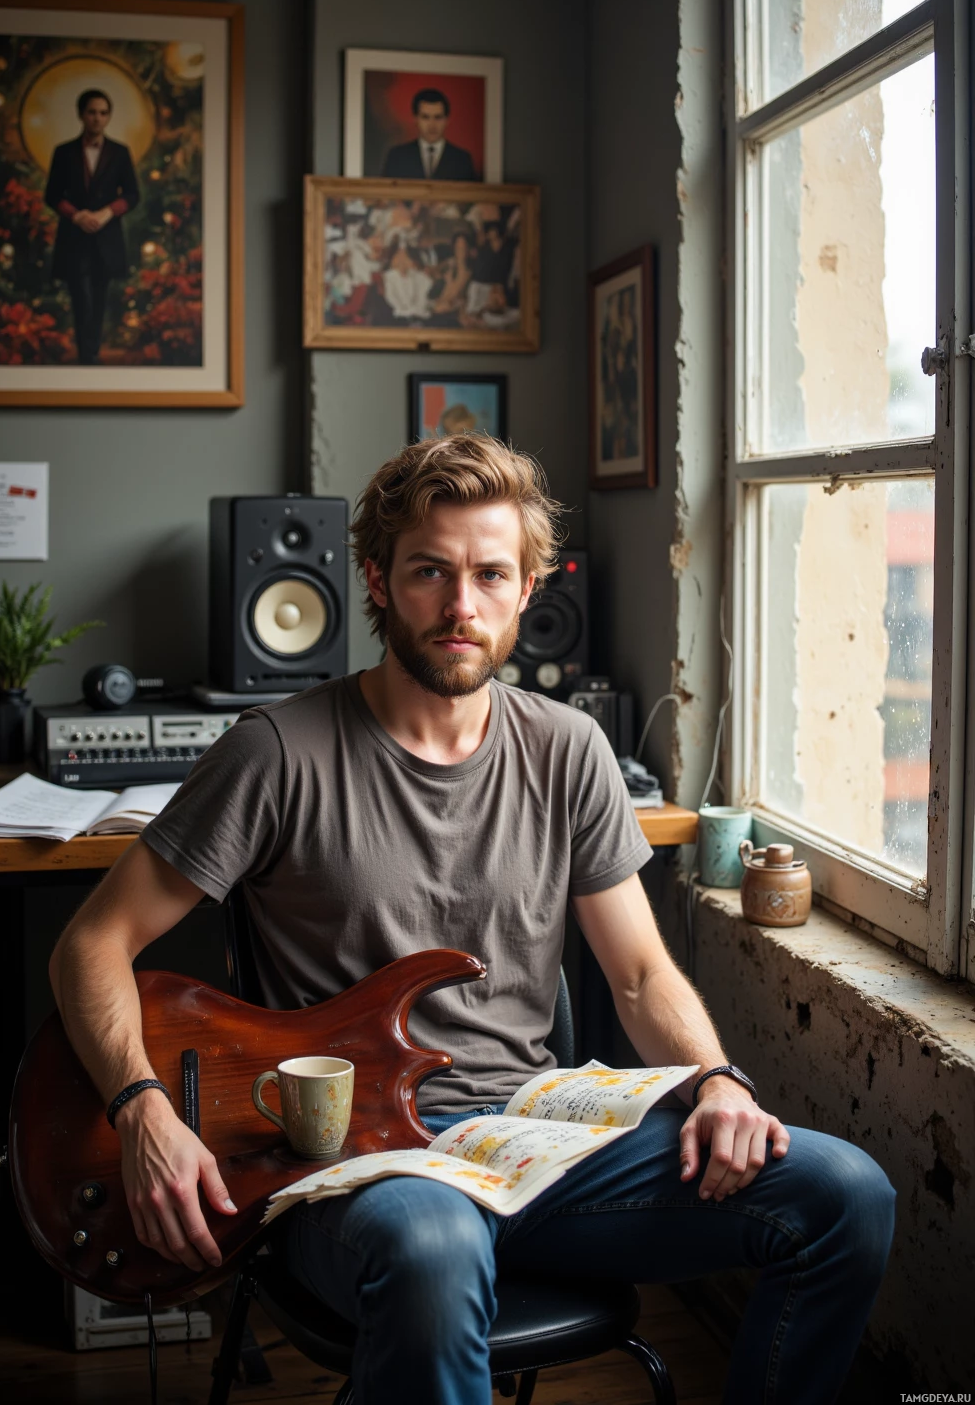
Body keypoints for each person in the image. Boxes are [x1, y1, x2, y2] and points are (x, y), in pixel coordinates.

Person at [48, 435, 895, 1405]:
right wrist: (143, 1109)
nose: (461, 607)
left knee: (842, 1196)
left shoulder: (570, 750)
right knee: (435, 1244)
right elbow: (92, 947)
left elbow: (639, 977)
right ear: (377, 579)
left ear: (528, 586)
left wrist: (716, 1081)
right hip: (357, 1161)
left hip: (531, 1144)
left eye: (491, 574)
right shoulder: (275, 754)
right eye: (429, 573)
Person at [45, 89, 140, 364]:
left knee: (99, 297)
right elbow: (52, 195)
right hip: (74, 239)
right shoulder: (63, 152)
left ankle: (92, 354)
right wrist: (77, 216)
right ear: (81, 115)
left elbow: (132, 194)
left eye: (103, 113)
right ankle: (87, 356)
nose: (97, 118)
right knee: (80, 297)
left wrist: (107, 213)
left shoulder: (120, 152)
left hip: (106, 238)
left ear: (108, 116)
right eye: (91, 112)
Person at [382, 87, 478, 180]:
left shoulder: (462, 160)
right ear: (415, 119)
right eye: (425, 117)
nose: (432, 125)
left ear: (447, 120)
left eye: (438, 117)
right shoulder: (397, 156)